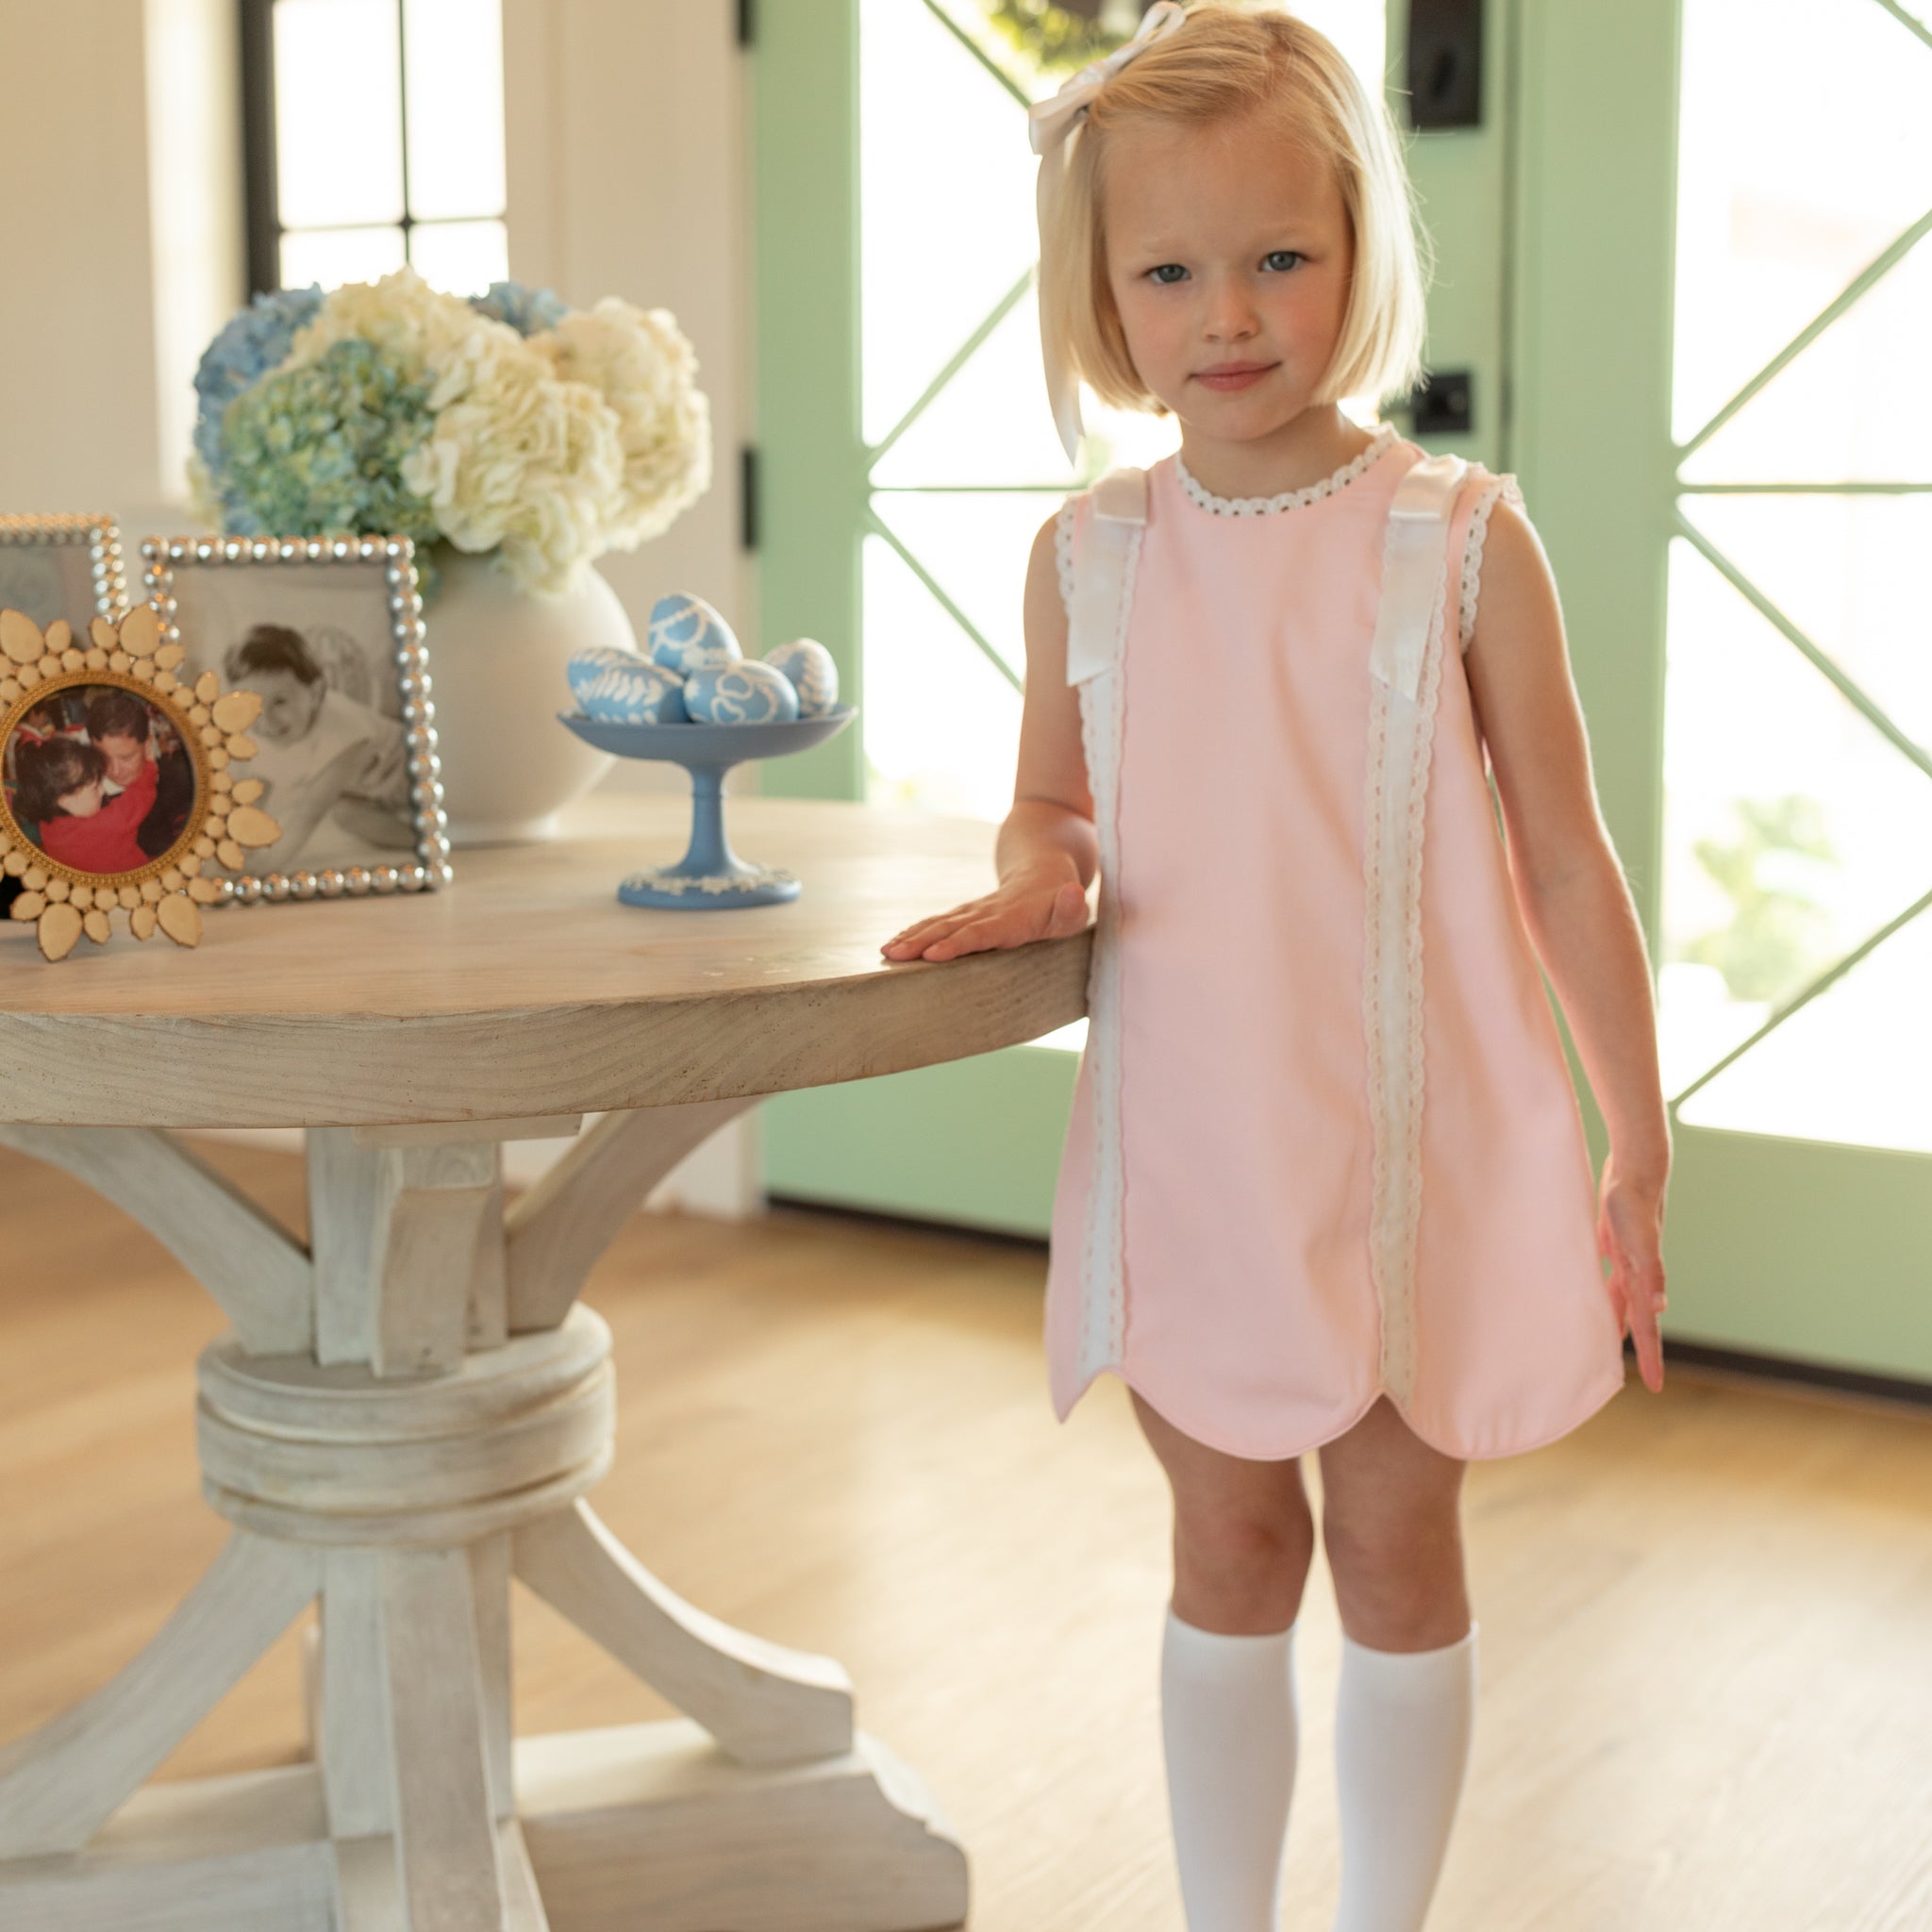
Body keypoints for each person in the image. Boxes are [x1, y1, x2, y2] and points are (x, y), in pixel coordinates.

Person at [880, 8, 1671, 1930]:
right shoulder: (1087, 553)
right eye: (1167, 270)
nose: (1225, 313)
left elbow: (1565, 850)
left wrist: (1630, 1139)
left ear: (1358, 251)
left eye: (1278, 258)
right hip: (1193, 1147)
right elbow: (1049, 805)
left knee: (1397, 1551)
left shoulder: (1458, 539)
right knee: (1225, 1534)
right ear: (1103, 294)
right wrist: (1032, 875)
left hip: (1411, 1144)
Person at [222, 624, 412, 864]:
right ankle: (416, 836)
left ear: (316, 692)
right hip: (373, 792)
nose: (266, 719)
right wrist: (239, 846)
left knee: (336, 810)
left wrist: (267, 866)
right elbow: (255, 793)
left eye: (280, 702)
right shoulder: (264, 730)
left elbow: (309, 813)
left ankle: (429, 838)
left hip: (408, 777)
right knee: (346, 814)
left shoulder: (343, 731)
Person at [13, 732, 156, 875]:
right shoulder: (106, 826)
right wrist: (149, 766)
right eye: (95, 787)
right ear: (63, 799)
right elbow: (138, 799)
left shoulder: (48, 823)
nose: (102, 791)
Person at [84, 689, 192, 859]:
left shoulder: (178, 782)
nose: (115, 770)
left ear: (148, 744)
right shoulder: (85, 795)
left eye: (126, 758)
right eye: (103, 758)